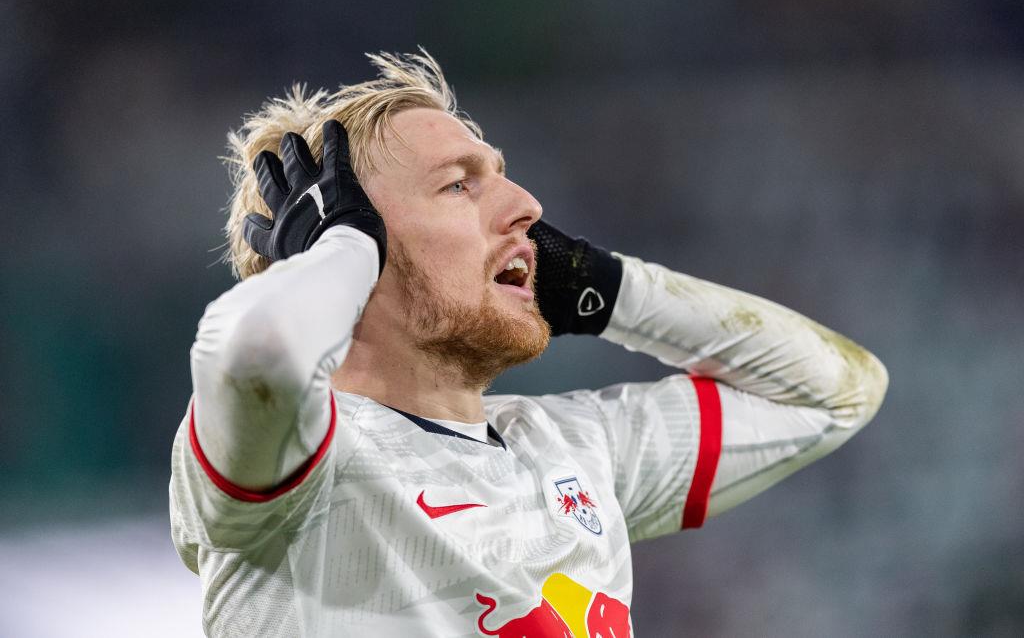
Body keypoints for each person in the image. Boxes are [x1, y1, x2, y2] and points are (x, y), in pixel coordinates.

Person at [169, 50, 888, 637]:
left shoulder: (573, 449)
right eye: (459, 186)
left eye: (501, 177)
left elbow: (836, 393)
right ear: (346, 244)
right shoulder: (301, 466)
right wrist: (343, 250)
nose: (528, 207)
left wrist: (604, 287)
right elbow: (257, 355)